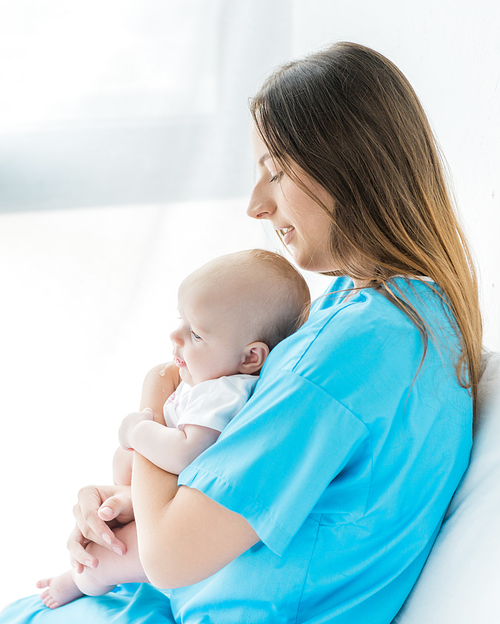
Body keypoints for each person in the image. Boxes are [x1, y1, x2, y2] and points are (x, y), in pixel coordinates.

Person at [0, 42, 482, 624]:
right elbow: (252, 493)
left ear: (350, 171)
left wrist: (151, 411)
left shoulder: (353, 349)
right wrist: (130, 509)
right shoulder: (406, 313)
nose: (256, 205)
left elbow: (174, 557)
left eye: (275, 173)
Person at [35, 249, 310, 609]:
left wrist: (138, 431)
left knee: (100, 559)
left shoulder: (223, 392)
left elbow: (185, 451)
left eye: (195, 334)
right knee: (120, 478)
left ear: (250, 358)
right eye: (181, 319)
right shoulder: (205, 378)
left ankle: (81, 580)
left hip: (180, 515)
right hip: (165, 502)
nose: (175, 334)